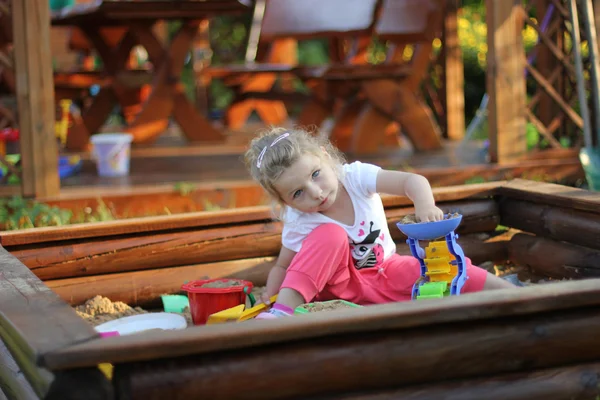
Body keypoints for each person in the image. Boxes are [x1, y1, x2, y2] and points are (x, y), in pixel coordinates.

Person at [244, 127, 515, 318]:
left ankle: (516, 295)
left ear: (326, 156)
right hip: (336, 290)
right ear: (285, 202)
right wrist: (273, 296)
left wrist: (425, 205)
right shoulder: (298, 218)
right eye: (297, 193)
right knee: (330, 234)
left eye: (315, 174)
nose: (316, 192)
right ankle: (283, 312)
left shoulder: (356, 177)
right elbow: (284, 264)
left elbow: (413, 181)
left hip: (386, 270)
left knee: (446, 272)